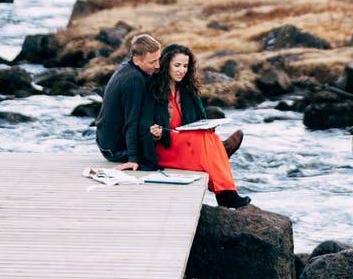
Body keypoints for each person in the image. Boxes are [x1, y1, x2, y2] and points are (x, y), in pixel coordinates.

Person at [138, 44, 251, 208]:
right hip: (165, 147)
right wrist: (156, 132)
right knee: (205, 139)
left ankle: (224, 179)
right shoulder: (153, 89)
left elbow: (200, 119)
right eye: (177, 65)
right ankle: (225, 187)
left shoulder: (187, 88)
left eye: (185, 66)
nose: (181, 70)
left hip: (186, 143)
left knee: (207, 135)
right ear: (166, 64)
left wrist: (209, 125)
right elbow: (144, 123)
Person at [95, 33, 162, 171]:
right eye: (152, 62)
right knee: (167, 150)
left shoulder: (128, 66)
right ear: (137, 60)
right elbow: (131, 121)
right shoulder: (134, 80)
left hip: (104, 141)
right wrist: (133, 159)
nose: (157, 66)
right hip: (114, 150)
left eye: (158, 59)